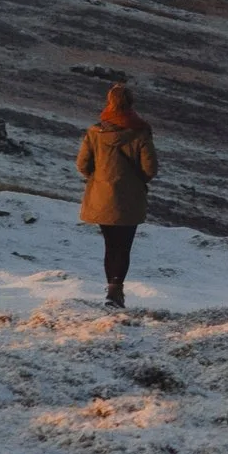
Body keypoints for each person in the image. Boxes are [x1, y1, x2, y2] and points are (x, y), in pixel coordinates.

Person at [75, 83, 158, 309]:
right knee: (124, 246)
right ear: (131, 103)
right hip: (130, 199)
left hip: (102, 197)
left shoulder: (95, 132)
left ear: (109, 102)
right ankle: (116, 291)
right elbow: (150, 168)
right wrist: (136, 181)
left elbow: (82, 164)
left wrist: (98, 180)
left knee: (110, 245)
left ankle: (111, 291)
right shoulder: (140, 132)